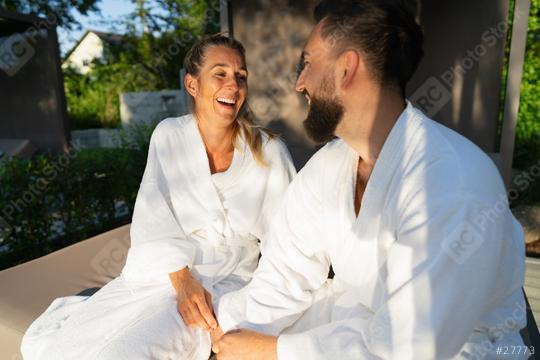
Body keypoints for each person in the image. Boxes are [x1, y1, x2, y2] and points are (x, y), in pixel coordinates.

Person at [212, 1, 527, 359]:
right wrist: (221, 329)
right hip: (361, 328)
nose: (299, 83)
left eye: (308, 63)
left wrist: (274, 350)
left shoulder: (451, 180)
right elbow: (284, 277)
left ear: (346, 68)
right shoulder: (329, 167)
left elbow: (412, 345)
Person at [21, 34, 296, 359]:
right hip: (164, 272)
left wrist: (260, 311)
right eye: (219, 73)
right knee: (57, 346)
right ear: (192, 85)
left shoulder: (267, 151)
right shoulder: (170, 135)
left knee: (123, 353)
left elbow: (291, 239)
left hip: (226, 281)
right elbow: (153, 219)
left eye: (241, 76)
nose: (233, 85)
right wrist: (182, 281)